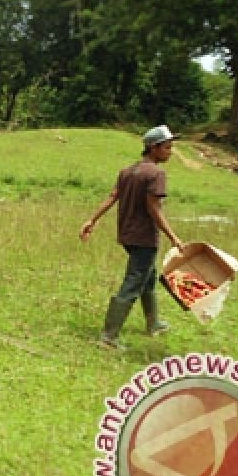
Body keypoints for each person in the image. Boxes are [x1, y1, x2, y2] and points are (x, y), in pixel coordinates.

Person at [80, 125, 185, 349]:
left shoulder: (127, 171)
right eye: (167, 147)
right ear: (153, 148)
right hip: (144, 237)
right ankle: (109, 336)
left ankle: (153, 322)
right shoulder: (156, 174)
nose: (170, 151)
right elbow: (154, 209)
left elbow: (112, 197)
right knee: (134, 281)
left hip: (127, 235)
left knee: (148, 276)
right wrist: (174, 237)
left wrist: (92, 219)